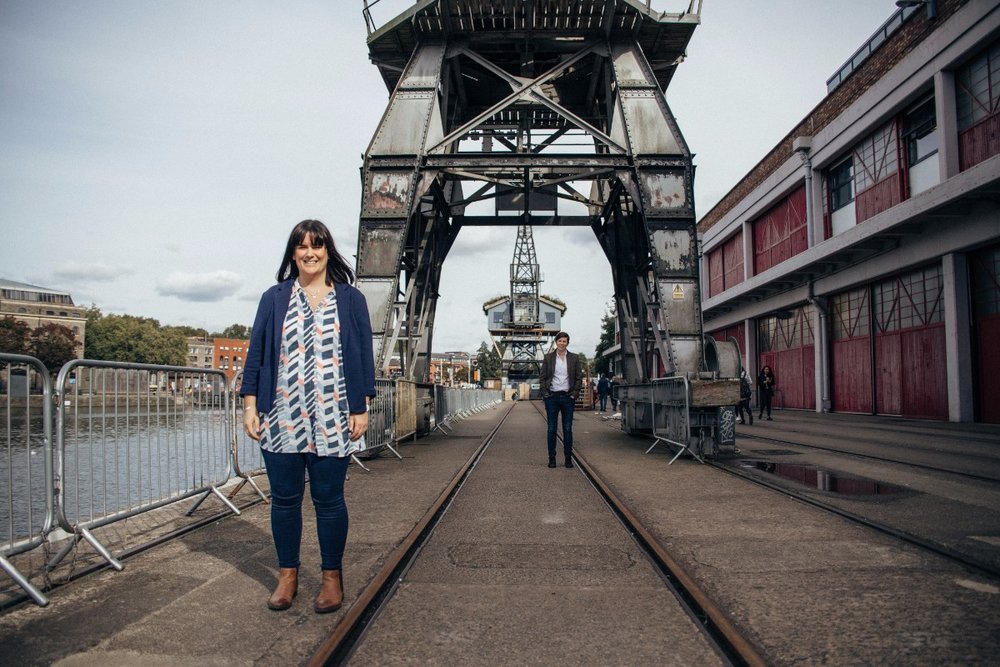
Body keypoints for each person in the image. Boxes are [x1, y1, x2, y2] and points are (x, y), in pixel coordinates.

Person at [241, 219, 376, 614]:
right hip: (282, 413)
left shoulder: (351, 299)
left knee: (329, 500)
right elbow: (256, 354)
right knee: (284, 500)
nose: (309, 252)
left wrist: (361, 406)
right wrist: (250, 405)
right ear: (293, 254)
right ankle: (288, 576)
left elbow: (362, 357)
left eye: (316, 245)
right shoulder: (274, 297)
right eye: (301, 246)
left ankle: (331, 578)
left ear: (328, 251)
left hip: (334, 412)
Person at [538, 331, 583, 468]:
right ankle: (552, 459)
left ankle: (568, 459)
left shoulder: (574, 358)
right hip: (552, 397)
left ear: (567, 343)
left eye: (564, 341)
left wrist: (574, 394)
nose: (562, 343)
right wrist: (546, 394)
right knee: (551, 429)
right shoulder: (548, 358)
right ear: (556, 342)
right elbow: (542, 377)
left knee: (567, 429)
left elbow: (578, 378)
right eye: (560, 341)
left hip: (567, 397)